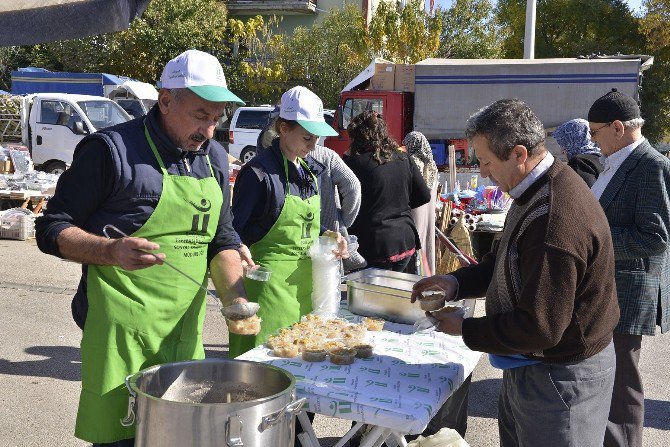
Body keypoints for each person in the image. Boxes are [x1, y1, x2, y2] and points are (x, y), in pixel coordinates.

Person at [34, 50, 251, 446]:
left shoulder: (215, 158)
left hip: (184, 336)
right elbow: (50, 228)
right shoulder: (109, 150)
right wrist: (109, 251)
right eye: (201, 116)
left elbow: (221, 239)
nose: (209, 130)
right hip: (120, 338)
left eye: (217, 118)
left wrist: (236, 302)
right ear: (166, 101)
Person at [412, 99, 619, 447]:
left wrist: (465, 328)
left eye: (487, 162)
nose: (481, 173)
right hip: (533, 364)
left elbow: (540, 327)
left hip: (560, 376)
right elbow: (502, 260)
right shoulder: (533, 190)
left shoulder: (554, 218)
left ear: (519, 154)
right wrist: (455, 282)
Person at [230, 85, 347, 358]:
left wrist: (330, 235)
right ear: (283, 128)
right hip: (269, 293)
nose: (312, 146)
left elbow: (307, 224)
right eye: (307, 137)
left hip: (304, 290)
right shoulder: (258, 174)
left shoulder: (308, 171)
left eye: (316, 139)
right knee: (263, 375)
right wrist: (237, 246)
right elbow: (232, 232)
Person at [587, 88, 670, 447]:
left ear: (618, 127)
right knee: (610, 383)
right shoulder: (617, 160)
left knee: (622, 391)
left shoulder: (651, 165)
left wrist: (592, 242)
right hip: (608, 291)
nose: (591, 139)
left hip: (627, 292)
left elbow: (655, 237)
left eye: (595, 131)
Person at [344, 111, 430, 272]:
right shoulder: (403, 158)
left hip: (371, 245)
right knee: (396, 294)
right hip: (404, 240)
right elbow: (424, 196)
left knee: (371, 296)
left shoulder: (353, 163)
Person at [403, 131, 439, 274]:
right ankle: (429, 277)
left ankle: (416, 278)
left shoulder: (411, 162)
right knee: (427, 241)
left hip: (415, 210)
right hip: (429, 211)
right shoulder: (432, 164)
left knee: (415, 243)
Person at [552, 118, 603, 187]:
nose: (562, 152)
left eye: (565, 145)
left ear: (573, 141)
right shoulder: (602, 158)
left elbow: (588, 194)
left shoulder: (579, 162)